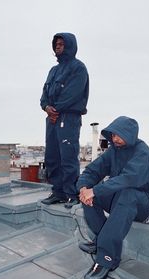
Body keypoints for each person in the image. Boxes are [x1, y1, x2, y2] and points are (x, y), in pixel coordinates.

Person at [77, 116, 149, 279]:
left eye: (119, 135)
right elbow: (92, 171)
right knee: (89, 196)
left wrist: (95, 190)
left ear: (130, 134)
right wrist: (84, 188)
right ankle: (101, 239)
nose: (115, 139)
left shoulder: (142, 152)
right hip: (126, 201)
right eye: (112, 135)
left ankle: (106, 257)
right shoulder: (114, 151)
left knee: (126, 193)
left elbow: (130, 179)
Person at [40, 33, 89, 209]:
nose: (58, 47)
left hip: (68, 118)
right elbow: (44, 96)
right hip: (52, 118)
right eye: (56, 44)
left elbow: (73, 93)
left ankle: (71, 194)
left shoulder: (78, 68)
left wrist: (56, 110)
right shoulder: (53, 71)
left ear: (70, 45)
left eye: (61, 44)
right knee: (52, 156)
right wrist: (46, 107)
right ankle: (58, 192)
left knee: (68, 156)